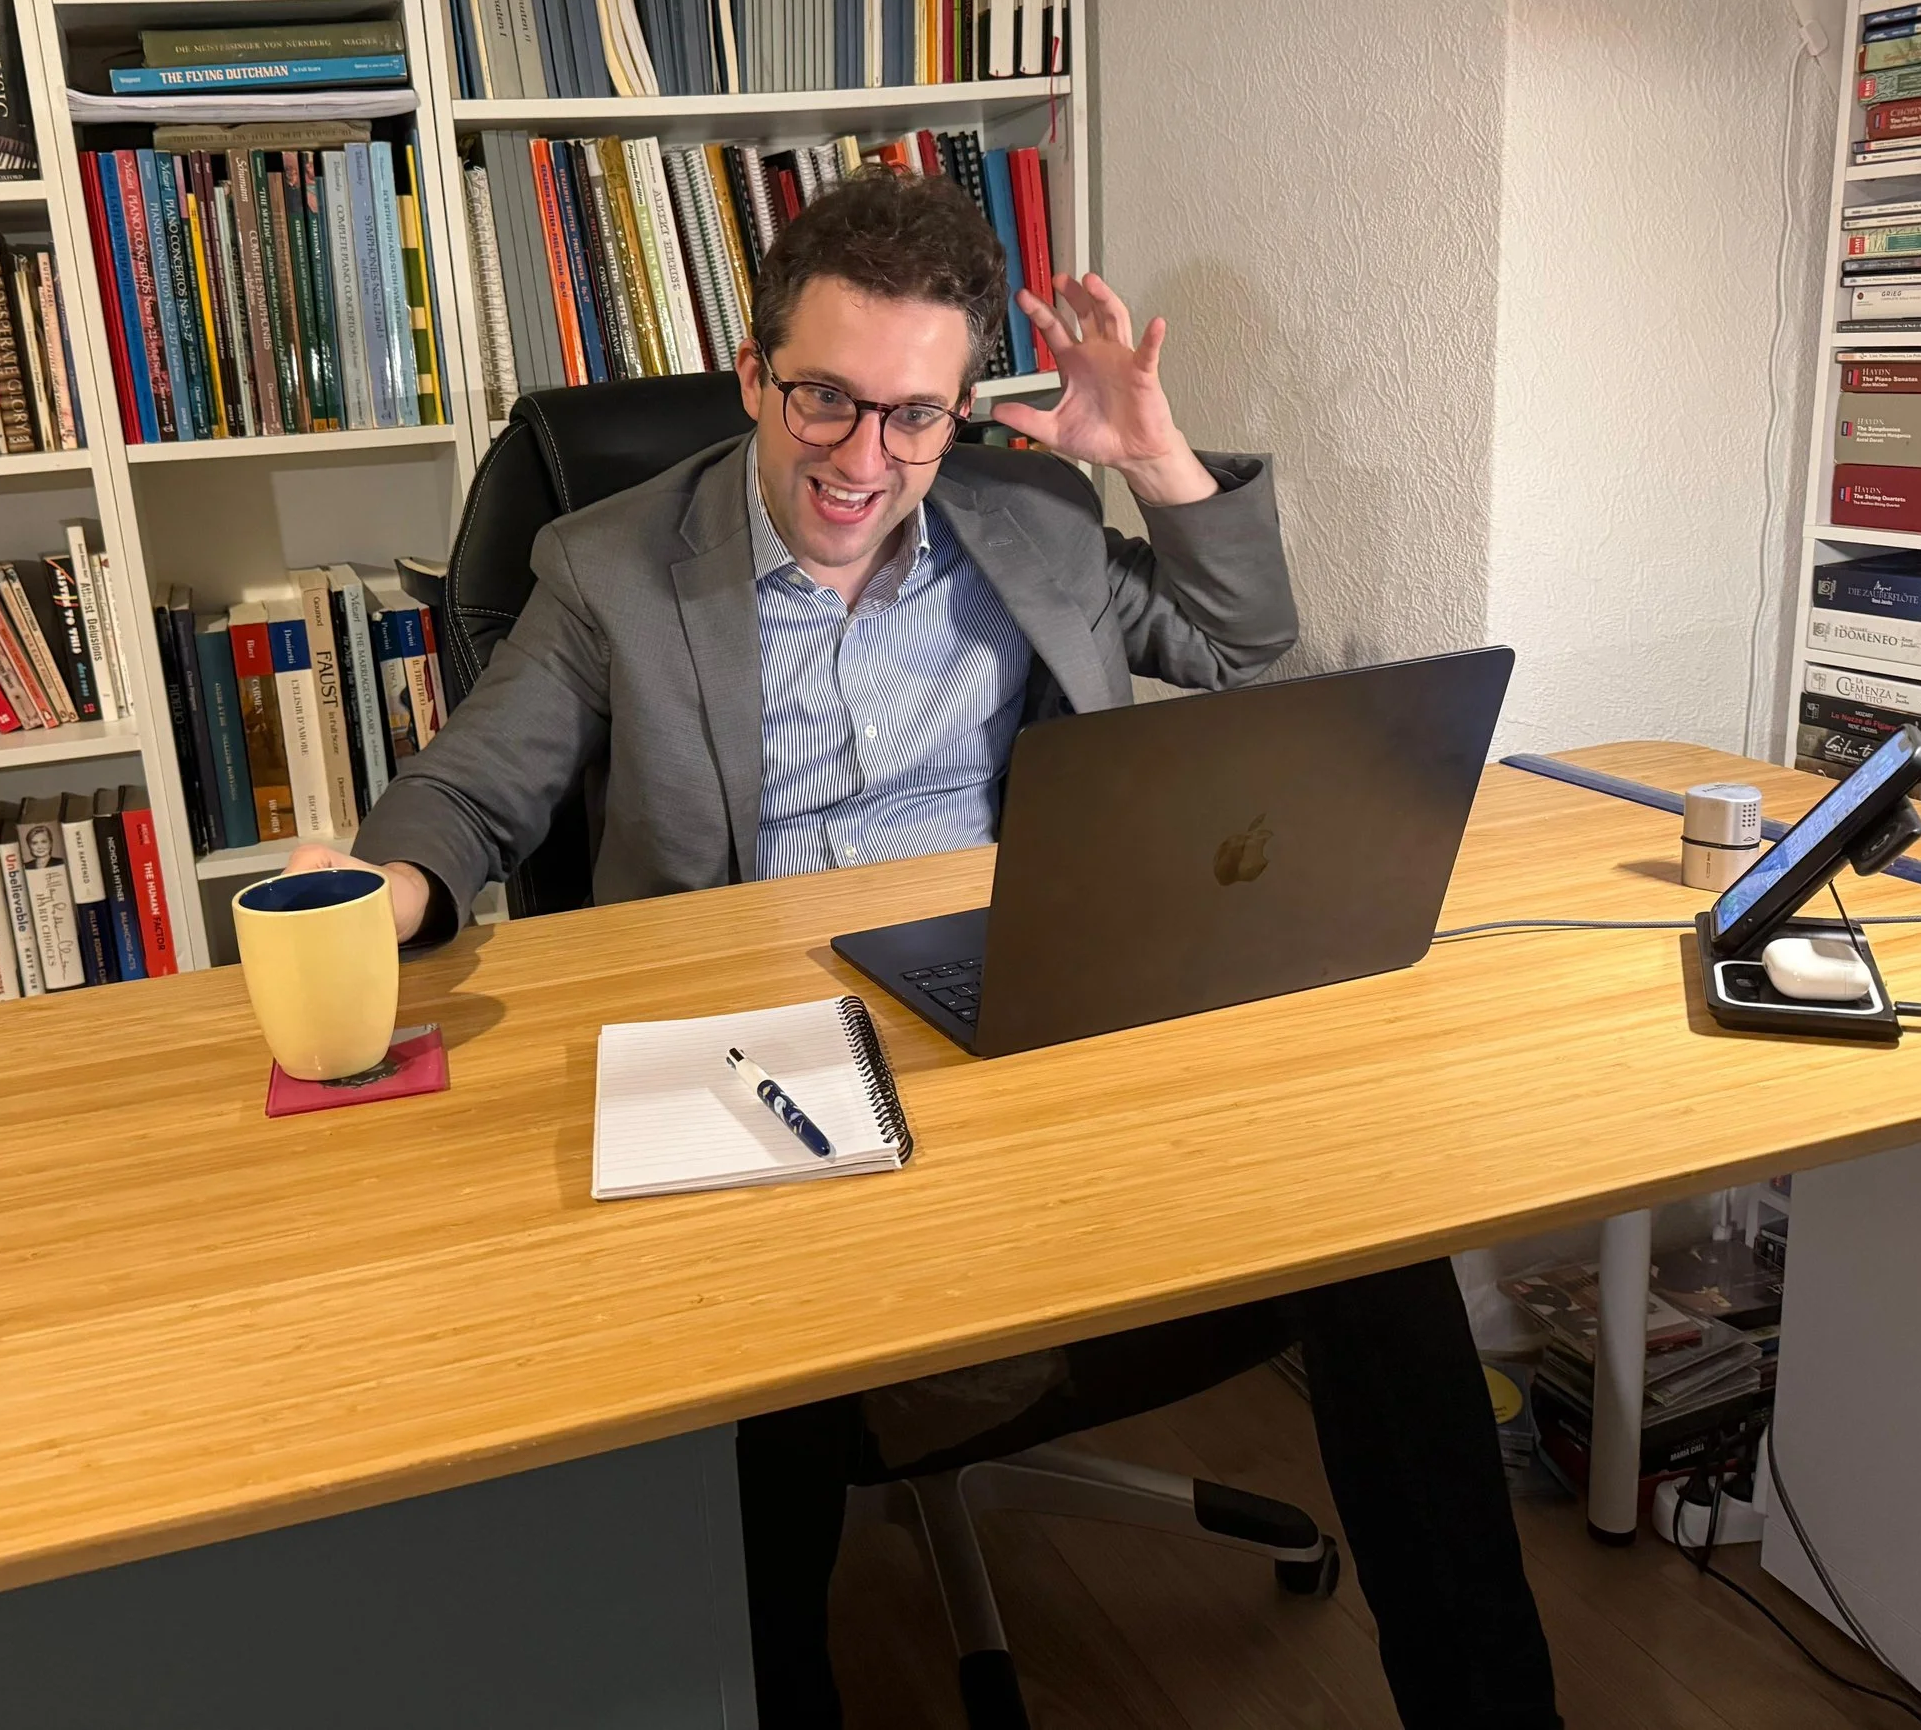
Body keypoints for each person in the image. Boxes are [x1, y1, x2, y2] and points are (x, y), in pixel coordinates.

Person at [286, 171, 1559, 1728]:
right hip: (768, 1067)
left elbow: (1238, 649)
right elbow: (476, 785)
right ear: (755, 372)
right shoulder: (609, 563)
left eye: (913, 415)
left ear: (962, 410)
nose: (862, 457)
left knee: (1372, 1232)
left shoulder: (1029, 516)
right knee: (753, 1393)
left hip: (1026, 1010)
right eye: (824, 399)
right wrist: (375, 887)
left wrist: (1153, 455)